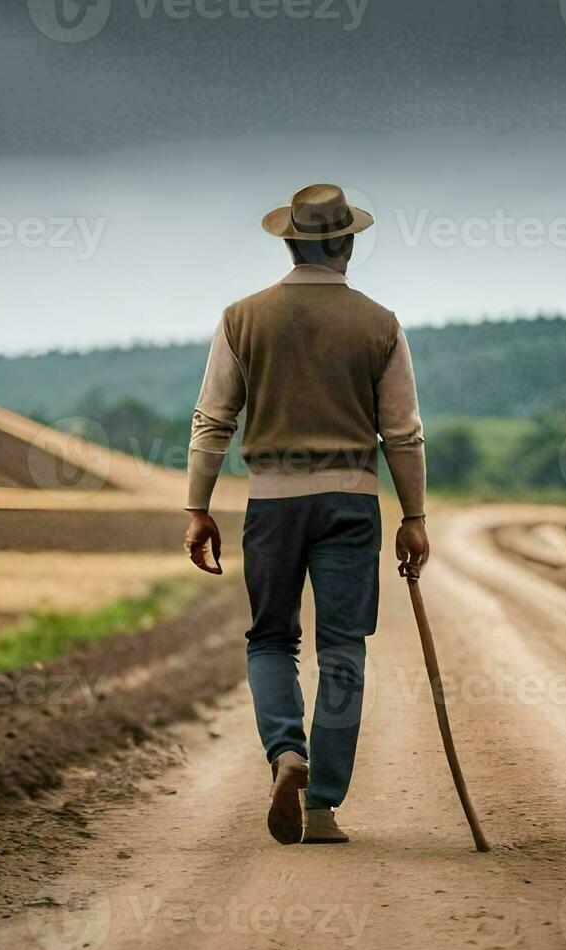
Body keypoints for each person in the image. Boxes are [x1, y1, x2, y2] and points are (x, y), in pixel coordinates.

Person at [183, 184, 429, 845]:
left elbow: (212, 421)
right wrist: (414, 515)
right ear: (345, 242)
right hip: (350, 500)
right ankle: (321, 807)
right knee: (343, 649)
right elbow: (403, 433)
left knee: (270, 640)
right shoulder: (380, 324)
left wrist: (197, 507)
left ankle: (285, 753)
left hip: (270, 501)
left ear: (289, 240)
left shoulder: (242, 317)